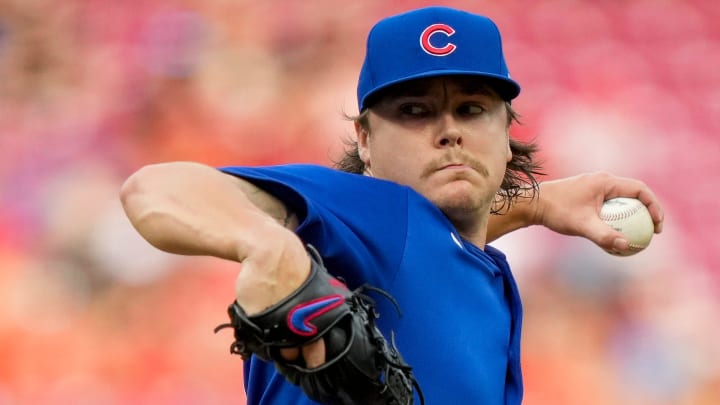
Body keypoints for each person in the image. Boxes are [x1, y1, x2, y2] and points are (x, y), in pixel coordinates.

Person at [120, 6, 664, 405]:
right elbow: (155, 189)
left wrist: (535, 203)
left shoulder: (478, 269)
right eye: (414, 111)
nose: (449, 131)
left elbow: (435, 247)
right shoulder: (372, 211)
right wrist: (266, 245)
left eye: (472, 109)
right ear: (364, 140)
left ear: (506, 130)